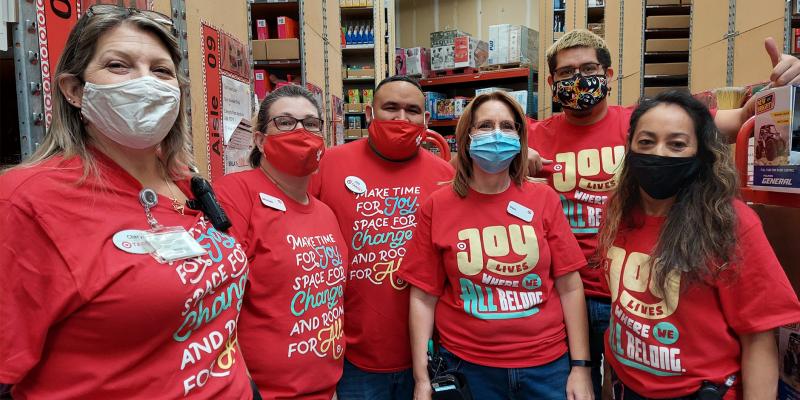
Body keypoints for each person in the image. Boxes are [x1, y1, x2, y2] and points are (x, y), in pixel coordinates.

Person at [527, 29, 800, 398]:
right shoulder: (532, 135)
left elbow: (741, 120)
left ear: (608, 76)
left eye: (588, 68)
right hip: (570, 292)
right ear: (550, 82)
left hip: (645, 295)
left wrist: (784, 87)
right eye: (566, 73)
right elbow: (470, 161)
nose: (578, 79)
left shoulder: (645, 123)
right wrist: (515, 160)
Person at [0, 5, 252, 399]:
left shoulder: (186, 181)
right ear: (75, 89)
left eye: (161, 71)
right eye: (119, 65)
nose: (145, 83)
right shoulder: (26, 202)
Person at [597, 90, 800, 399]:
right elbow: (621, 309)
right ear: (630, 148)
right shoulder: (616, 211)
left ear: (700, 153)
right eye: (646, 142)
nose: (659, 153)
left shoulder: (730, 223)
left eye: (677, 144)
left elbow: (758, 338)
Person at [398, 91, 593, 400]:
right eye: (485, 125)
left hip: (547, 367)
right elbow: (423, 297)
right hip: (468, 368)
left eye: (507, 126)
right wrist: (422, 378)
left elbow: (570, 286)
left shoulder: (543, 200)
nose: (497, 134)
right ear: (466, 137)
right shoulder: (437, 206)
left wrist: (581, 367)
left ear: (520, 137)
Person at [311, 75, 454, 399]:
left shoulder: (444, 175)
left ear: (426, 119)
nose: (401, 119)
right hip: (351, 354)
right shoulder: (329, 164)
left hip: (428, 353)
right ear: (368, 113)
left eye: (412, 110)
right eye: (390, 108)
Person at [214, 85, 348, 399]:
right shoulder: (235, 194)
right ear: (259, 139)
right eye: (285, 122)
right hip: (264, 392)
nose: (301, 131)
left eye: (311, 123)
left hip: (326, 387)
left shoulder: (325, 212)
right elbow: (216, 302)